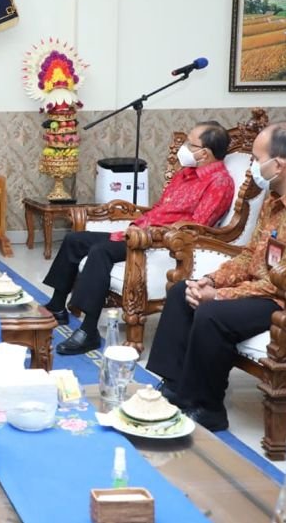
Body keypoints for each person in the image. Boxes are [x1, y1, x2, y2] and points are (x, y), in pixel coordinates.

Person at [146, 122, 286, 431]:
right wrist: (211, 281)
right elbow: (251, 254)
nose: (252, 167)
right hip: (267, 287)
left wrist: (218, 296)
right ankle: (175, 388)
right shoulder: (276, 198)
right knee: (183, 290)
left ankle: (208, 408)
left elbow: (285, 284)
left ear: (278, 165)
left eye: (256, 158)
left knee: (212, 313)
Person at [45, 121, 236, 355]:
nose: (184, 148)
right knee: (75, 240)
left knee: (100, 252)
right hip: (140, 232)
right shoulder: (186, 173)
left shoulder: (219, 182)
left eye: (190, 143)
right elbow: (160, 208)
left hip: (160, 243)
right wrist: (137, 224)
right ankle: (57, 307)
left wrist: (149, 233)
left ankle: (89, 331)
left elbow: (196, 227)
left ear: (204, 153)